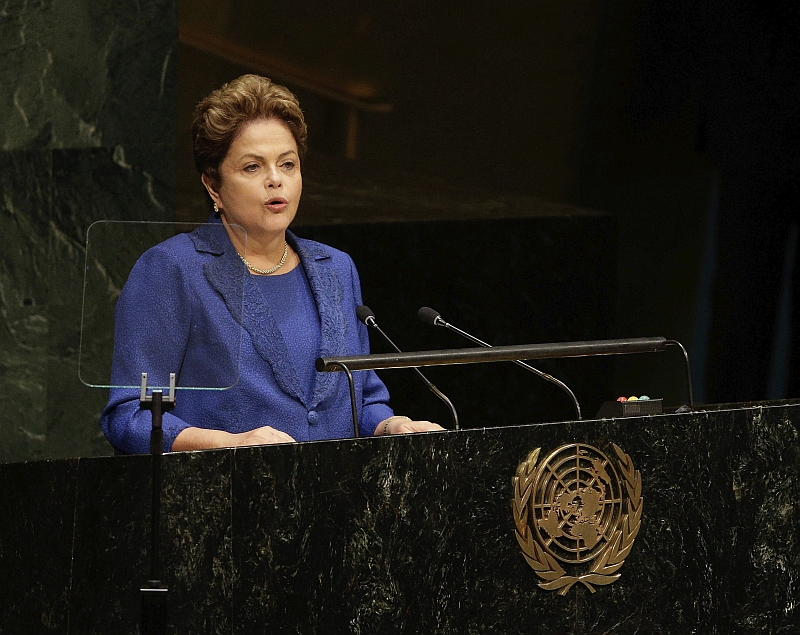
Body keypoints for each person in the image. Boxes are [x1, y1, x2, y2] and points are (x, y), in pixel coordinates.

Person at [101, 74, 442, 454]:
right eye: (253, 167)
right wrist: (232, 444)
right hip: (221, 500)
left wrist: (391, 425)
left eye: (288, 164)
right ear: (213, 186)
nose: (275, 180)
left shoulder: (336, 268)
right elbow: (131, 417)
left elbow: (362, 400)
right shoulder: (172, 269)